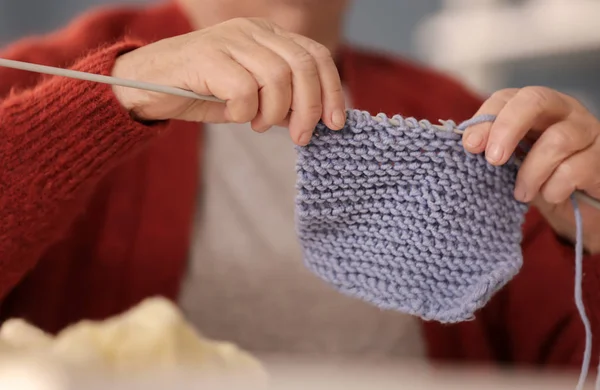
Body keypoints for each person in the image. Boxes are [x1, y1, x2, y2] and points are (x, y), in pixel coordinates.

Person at [1, 0, 599, 371]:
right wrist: (115, 95)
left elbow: (572, 362)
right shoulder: (41, 81)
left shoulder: (463, 122)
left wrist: (594, 240)